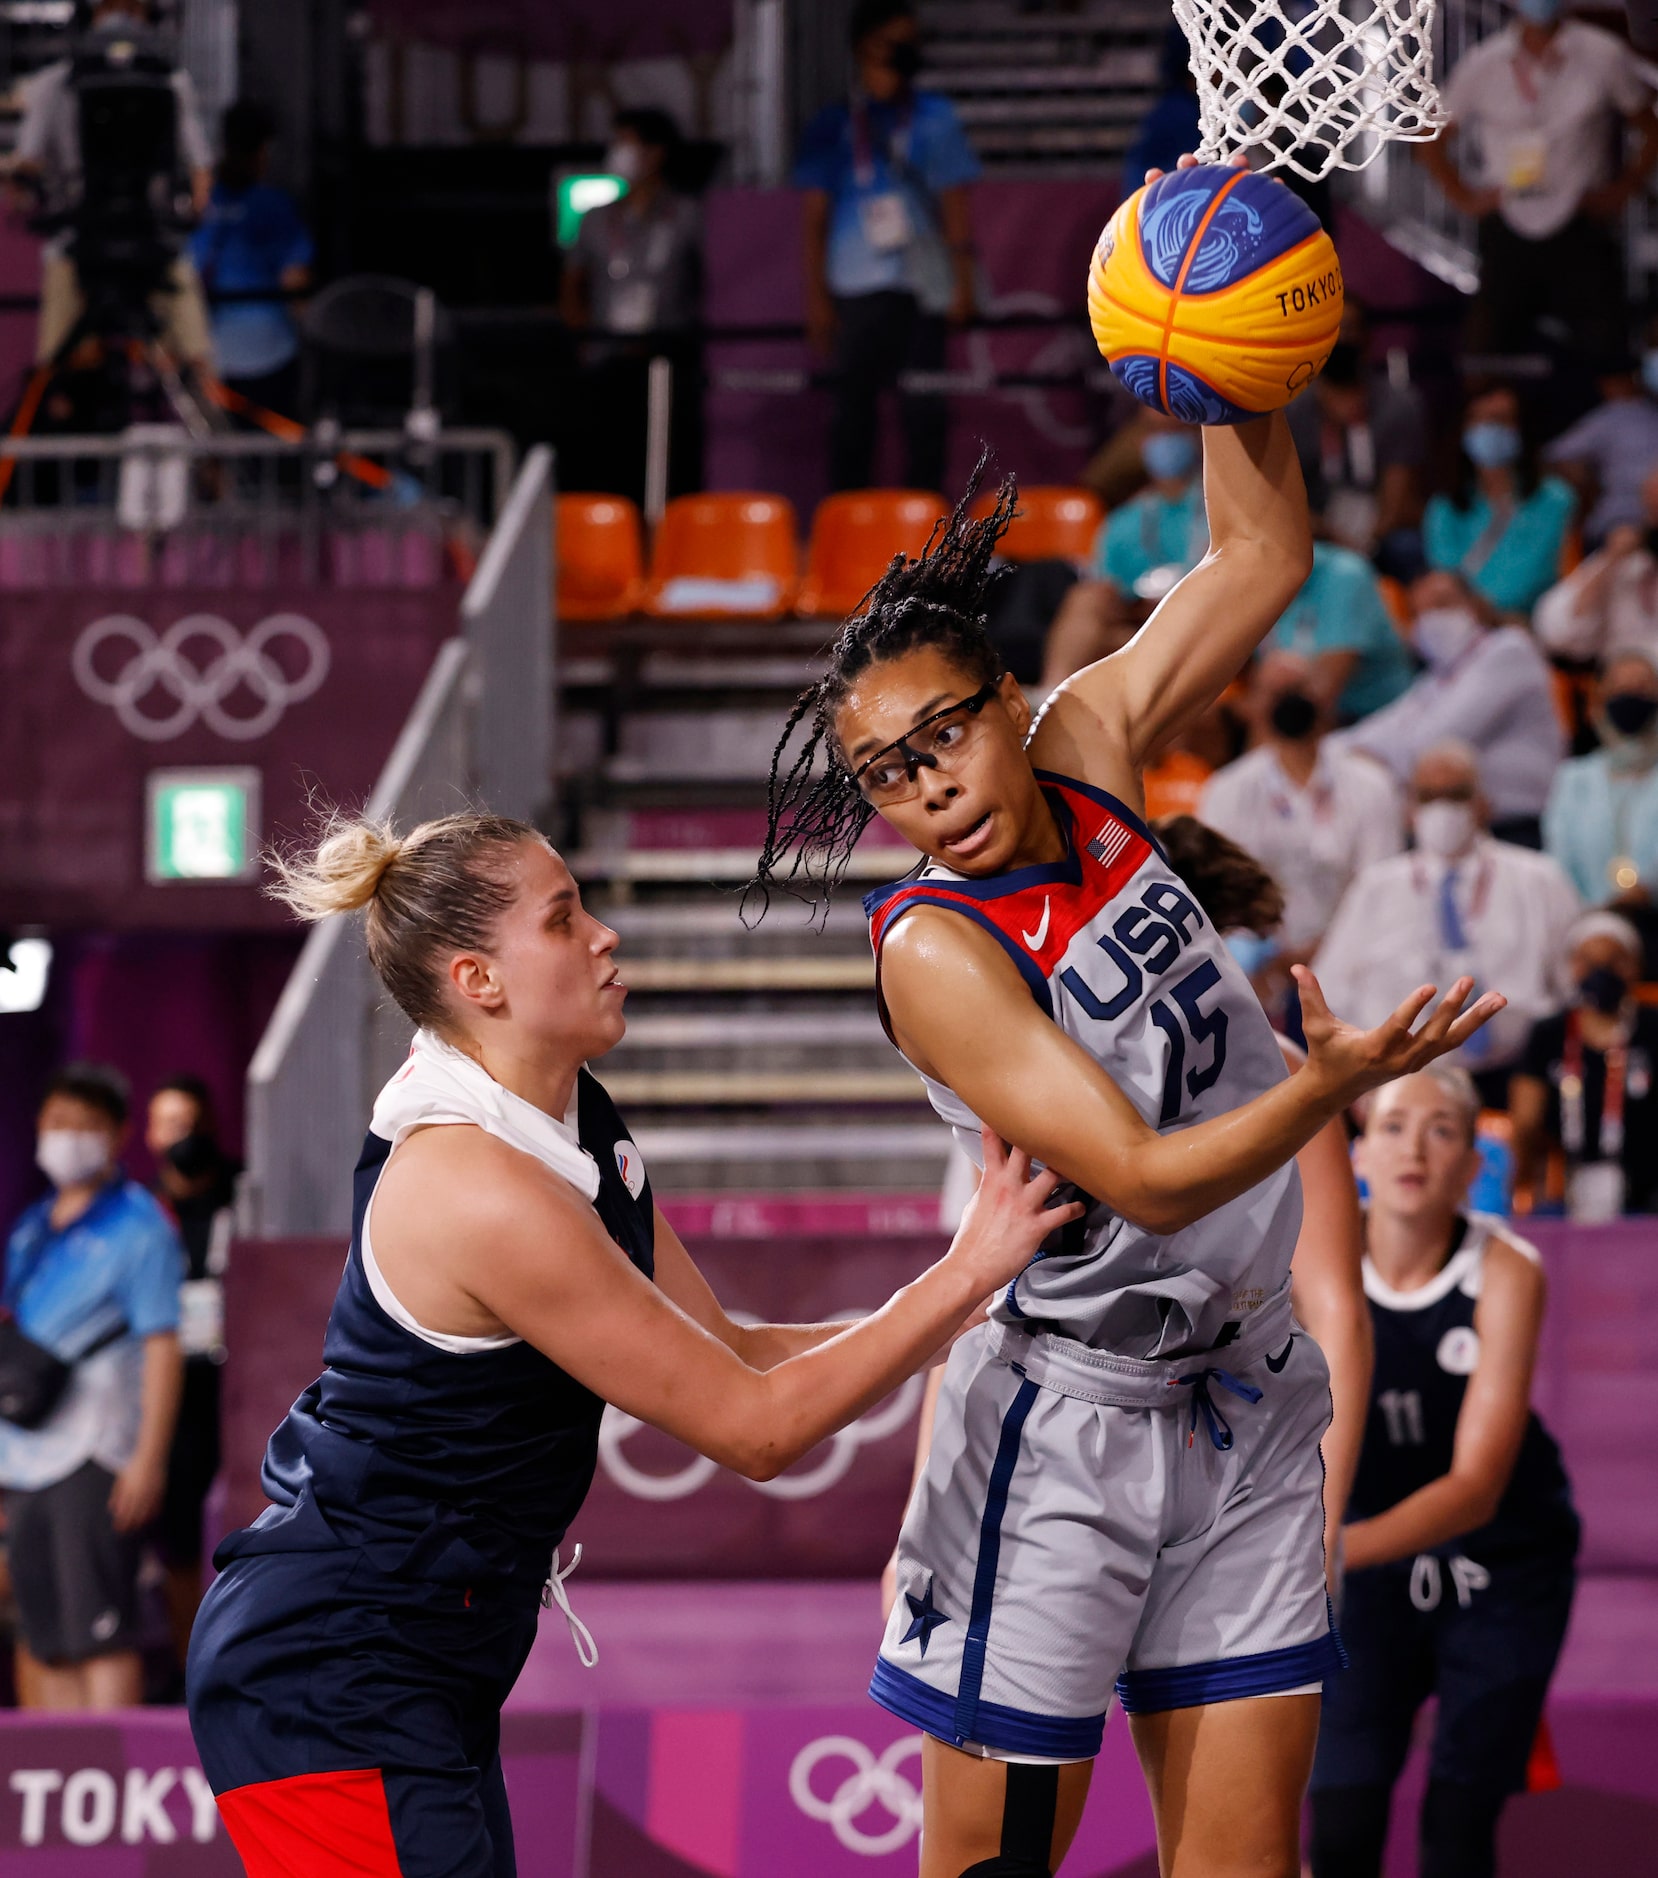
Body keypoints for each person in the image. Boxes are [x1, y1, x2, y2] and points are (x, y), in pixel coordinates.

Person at [747, 175, 1502, 1864]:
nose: (927, 783)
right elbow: (1149, 1181)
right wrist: (1324, 1084)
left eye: (946, 733)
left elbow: (1261, 554)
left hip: (1242, 1396)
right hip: (1067, 1424)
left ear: (1011, 707)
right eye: (887, 770)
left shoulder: (1090, 738)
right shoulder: (932, 949)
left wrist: (1229, 376)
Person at [185, 812, 1074, 1876]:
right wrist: (966, 1268)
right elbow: (756, 1430)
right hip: (328, 1671)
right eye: (564, 920)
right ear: (479, 980)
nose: (604, 936)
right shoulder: (476, 1186)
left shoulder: (571, 1121)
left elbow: (736, 1351)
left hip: (424, 1661)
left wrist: (976, 1316)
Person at [1308, 1066, 1579, 1878]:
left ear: (1473, 1164)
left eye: (1443, 1129)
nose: (1413, 1148)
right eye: (1392, 1126)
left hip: (1498, 1567)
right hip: (1358, 1572)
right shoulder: (1308, 1267)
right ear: (1356, 1154)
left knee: (1458, 1831)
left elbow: (1475, 1488)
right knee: (1341, 1829)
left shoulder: (1508, 1270)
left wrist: (1323, 1554)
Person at [1, 1063, 183, 1710]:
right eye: (56, 1124)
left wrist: (147, 1461)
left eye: (84, 1127)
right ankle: (58, 1778)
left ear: (118, 1135)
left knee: (100, 1632)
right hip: (22, 1457)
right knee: (43, 1634)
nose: (66, 1137)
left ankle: (109, 1782)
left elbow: (164, 1345)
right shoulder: (31, 1227)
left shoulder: (142, 1227)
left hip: (97, 1451)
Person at [1314, 742, 1579, 1108]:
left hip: (1518, 1080)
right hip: (1401, 1081)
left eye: (1456, 795)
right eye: (1429, 796)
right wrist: (1361, 1086)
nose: (1443, 809)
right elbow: (1331, 992)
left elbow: (1573, 983)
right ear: (1410, 809)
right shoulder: (1375, 887)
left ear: (1483, 803)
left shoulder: (1539, 879)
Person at [795, 0, 979, 493]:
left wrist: (962, 281)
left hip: (922, 287)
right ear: (861, 48)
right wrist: (817, 300)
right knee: (852, 412)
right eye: (889, 43)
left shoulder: (935, 117)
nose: (901, 54)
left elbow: (954, 203)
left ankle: (927, 523)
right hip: (855, 287)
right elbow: (815, 218)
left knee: (925, 410)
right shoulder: (833, 122)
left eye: (909, 44)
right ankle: (850, 517)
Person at [1417, 0, 1658, 370]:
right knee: (1485, 361)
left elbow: (1650, 125)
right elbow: (1430, 136)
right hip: (1506, 221)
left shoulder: (1602, 53)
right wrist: (1463, 197)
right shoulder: (1485, 61)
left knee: (1611, 361)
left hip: (1581, 221)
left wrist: (1624, 188)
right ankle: (1490, 426)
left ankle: (1618, 424)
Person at [11, 0, 214, 371]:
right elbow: (202, 179)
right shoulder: (54, 85)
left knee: (197, 361)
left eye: (132, 9)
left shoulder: (170, 81)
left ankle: (209, 412)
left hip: (141, 244)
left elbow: (25, 175)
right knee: (59, 365)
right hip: (89, 248)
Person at [1198, 649, 1405, 977]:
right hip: (1259, 966)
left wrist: (1328, 950)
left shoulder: (1370, 785)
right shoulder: (1226, 791)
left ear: (1319, 698)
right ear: (1254, 704)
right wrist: (1270, 952)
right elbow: (1220, 889)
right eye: (1276, 694)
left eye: (1296, 692)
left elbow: (1380, 887)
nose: (1288, 704)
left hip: (1355, 960)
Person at [1335, 568, 1563, 847]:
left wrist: (1367, 757)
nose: (1432, 620)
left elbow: (1431, 743)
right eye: (1420, 612)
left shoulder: (1509, 652)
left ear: (1475, 607)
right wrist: (1337, 755)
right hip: (1454, 825)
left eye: (1442, 604)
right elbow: (1379, 729)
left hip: (1516, 827)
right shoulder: (1440, 676)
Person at [560, 107, 704, 506]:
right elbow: (572, 284)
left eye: (626, 144)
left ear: (656, 153)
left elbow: (708, 283)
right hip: (607, 361)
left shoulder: (687, 215)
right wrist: (583, 339)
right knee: (608, 461)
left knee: (668, 461)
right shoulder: (594, 219)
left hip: (667, 359)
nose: (616, 153)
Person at [146, 1073, 240, 1669]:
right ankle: (190, 1668)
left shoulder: (246, 1192)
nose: (181, 1137)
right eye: (168, 1125)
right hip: (174, 1394)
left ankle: (241, 1660)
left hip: (240, 1385)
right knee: (178, 1538)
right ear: (151, 1136)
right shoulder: (145, 1210)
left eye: (190, 1123)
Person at [1040, 411, 1206, 688]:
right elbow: (1105, 587)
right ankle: (1049, 695)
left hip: (1199, 627)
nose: (1164, 441)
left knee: (1105, 651)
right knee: (1087, 601)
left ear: (1196, 437)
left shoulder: (1219, 510)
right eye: (1155, 431)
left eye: (1175, 429)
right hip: (1137, 626)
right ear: (1141, 441)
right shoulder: (1123, 521)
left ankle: (1058, 697)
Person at [1510, 911, 1658, 1219]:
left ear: (1637, 965)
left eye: (1617, 960)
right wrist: (1523, 1181)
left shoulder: (1652, 1028)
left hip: (1646, 1193)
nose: (1601, 971)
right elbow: (1525, 1123)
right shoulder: (1549, 1034)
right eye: (1587, 960)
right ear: (1571, 967)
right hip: (1563, 1187)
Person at [1285, 299, 1428, 577]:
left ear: (1367, 339)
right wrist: (1328, 534)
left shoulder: (1398, 406)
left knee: (1406, 548)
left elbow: (1397, 497)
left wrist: (1365, 544)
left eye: (1350, 329)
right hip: (1312, 531)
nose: (1342, 339)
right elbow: (1283, 497)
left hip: (1379, 536)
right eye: (1334, 330)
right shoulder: (1291, 411)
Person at [189, 101, 313, 415]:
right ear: (262, 152)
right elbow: (294, 280)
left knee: (219, 451)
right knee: (273, 449)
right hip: (270, 351)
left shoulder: (201, 206)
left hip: (211, 355)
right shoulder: (275, 205)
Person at [1422, 384, 1577, 617]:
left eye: (1500, 420)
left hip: (1528, 621)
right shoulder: (1445, 505)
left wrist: (1492, 612)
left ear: (1521, 429)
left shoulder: (1555, 500)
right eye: (1479, 420)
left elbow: (1540, 571)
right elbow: (1445, 574)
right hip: (1462, 621)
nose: (1489, 429)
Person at [1543, 648, 1658, 932]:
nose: (1631, 697)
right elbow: (1559, 861)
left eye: (1642, 688)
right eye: (1620, 689)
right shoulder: (1573, 778)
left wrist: (1647, 890)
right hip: (1588, 924)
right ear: (1599, 701)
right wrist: (1594, 912)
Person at [1261, 538, 1416, 722]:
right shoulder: (1261, 581)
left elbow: (1324, 692)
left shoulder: (1345, 575)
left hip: (1380, 717)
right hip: (1320, 720)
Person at [1534, 481, 1658, 669]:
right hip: (1624, 680)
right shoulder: (1625, 562)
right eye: (1652, 510)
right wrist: (1612, 558)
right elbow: (1559, 632)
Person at [1542, 348, 1658, 548]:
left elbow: (1551, 455)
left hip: (1621, 525)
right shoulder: (1629, 413)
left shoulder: (1610, 417)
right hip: (1630, 529)